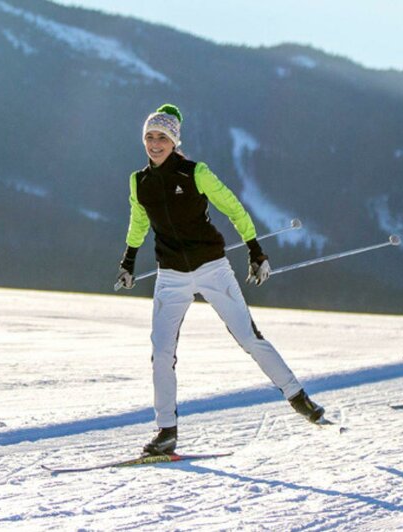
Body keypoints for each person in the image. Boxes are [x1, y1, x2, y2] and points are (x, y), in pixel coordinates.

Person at [117, 104, 325, 455]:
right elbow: (138, 221)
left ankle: (298, 397)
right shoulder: (140, 182)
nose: (155, 144)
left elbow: (233, 207)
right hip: (170, 276)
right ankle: (166, 431)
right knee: (161, 352)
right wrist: (128, 261)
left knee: (249, 337)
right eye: (150, 137)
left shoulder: (195, 173)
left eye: (162, 137)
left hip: (212, 267)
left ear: (174, 141)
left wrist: (256, 252)